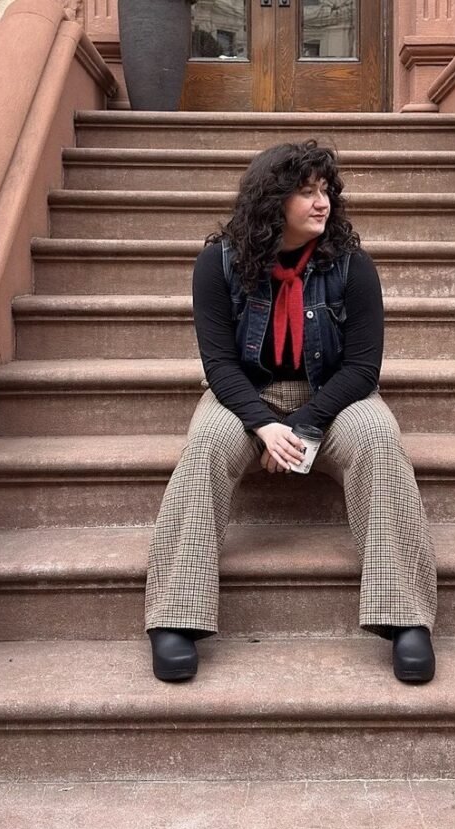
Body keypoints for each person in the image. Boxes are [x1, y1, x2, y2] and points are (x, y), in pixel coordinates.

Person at [144, 140, 437, 684]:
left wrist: (303, 425)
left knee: (379, 437)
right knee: (206, 443)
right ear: (271, 201)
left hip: (333, 396)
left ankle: (407, 617)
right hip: (245, 398)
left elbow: (362, 368)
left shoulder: (352, 267)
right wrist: (264, 422)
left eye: (325, 190)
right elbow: (219, 364)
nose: (321, 202)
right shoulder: (218, 264)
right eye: (305, 192)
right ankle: (174, 616)